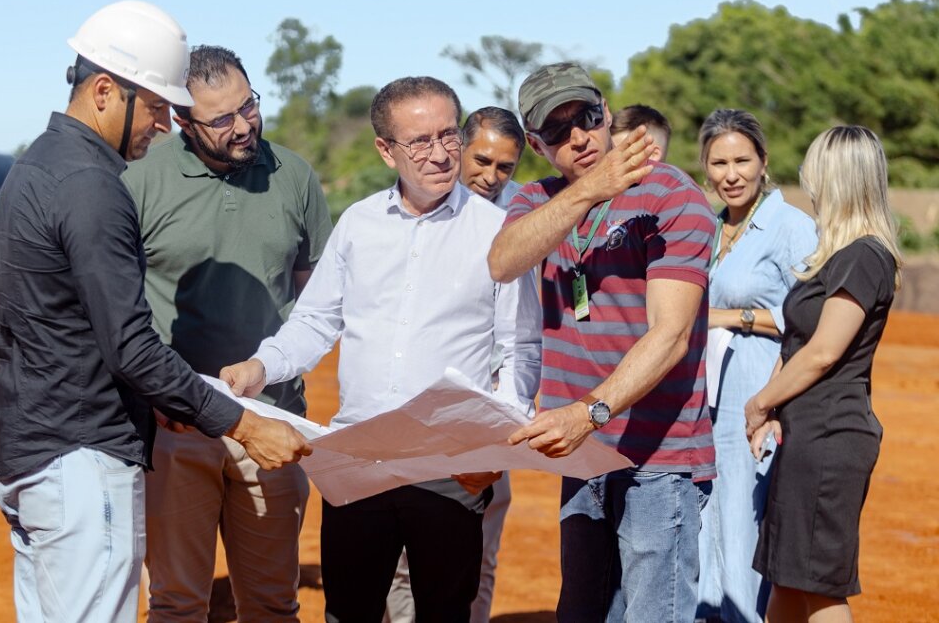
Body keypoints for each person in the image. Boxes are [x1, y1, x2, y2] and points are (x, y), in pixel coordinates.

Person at [0, 1, 310, 623]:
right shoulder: (91, 184)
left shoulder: (35, 164)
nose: (163, 125)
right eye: (157, 106)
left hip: (28, 448)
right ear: (106, 91)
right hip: (79, 460)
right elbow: (130, 345)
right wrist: (241, 424)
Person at [221, 76, 543, 623]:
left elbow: (520, 350)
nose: (441, 153)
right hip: (357, 464)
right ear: (385, 149)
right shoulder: (358, 224)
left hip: (449, 468)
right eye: (420, 140)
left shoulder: (500, 231)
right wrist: (260, 366)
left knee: (444, 612)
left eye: (448, 135)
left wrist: (494, 449)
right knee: (349, 612)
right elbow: (317, 321)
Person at [490, 62, 717, 622]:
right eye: (558, 131)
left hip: (657, 457)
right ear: (539, 147)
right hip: (584, 455)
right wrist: (590, 189)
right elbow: (502, 261)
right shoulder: (538, 201)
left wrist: (586, 414)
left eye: (587, 118)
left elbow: (670, 336)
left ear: (607, 114)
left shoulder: (672, 196)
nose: (579, 137)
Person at [122, 45, 332, 622]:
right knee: (177, 604)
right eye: (221, 119)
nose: (244, 126)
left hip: (273, 423)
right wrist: (156, 397)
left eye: (249, 107)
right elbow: (119, 305)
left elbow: (316, 298)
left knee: (271, 605)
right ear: (183, 121)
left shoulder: (294, 176)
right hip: (174, 425)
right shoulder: (140, 179)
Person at [745, 125, 901, 623]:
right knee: (789, 578)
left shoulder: (864, 256)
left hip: (831, 438)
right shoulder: (835, 256)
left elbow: (823, 353)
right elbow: (797, 343)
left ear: (835, 179)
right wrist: (776, 410)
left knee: (820, 588)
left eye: (813, 172)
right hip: (804, 434)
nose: (807, 183)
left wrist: (760, 403)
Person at [385, 105, 528, 623]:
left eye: (505, 167)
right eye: (481, 159)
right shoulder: (415, 214)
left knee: (479, 555)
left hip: (485, 419)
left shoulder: (517, 225)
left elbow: (522, 339)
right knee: (402, 561)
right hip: (415, 413)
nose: (490, 176)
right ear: (458, 148)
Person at [694, 109, 818, 623]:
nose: (731, 174)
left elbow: (812, 319)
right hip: (701, 404)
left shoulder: (793, 226)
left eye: (742, 160)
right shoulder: (705, 227)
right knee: (705, 530)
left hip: (758, 403)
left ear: (764, 162)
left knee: (747, 529)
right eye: (718, 162)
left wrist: (731, 316)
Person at [459, 105, 526, 208]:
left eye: (504, 167)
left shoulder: (526, 210)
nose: (491, 179)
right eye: (482, 161)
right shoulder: (429, 197)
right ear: (459, 149)